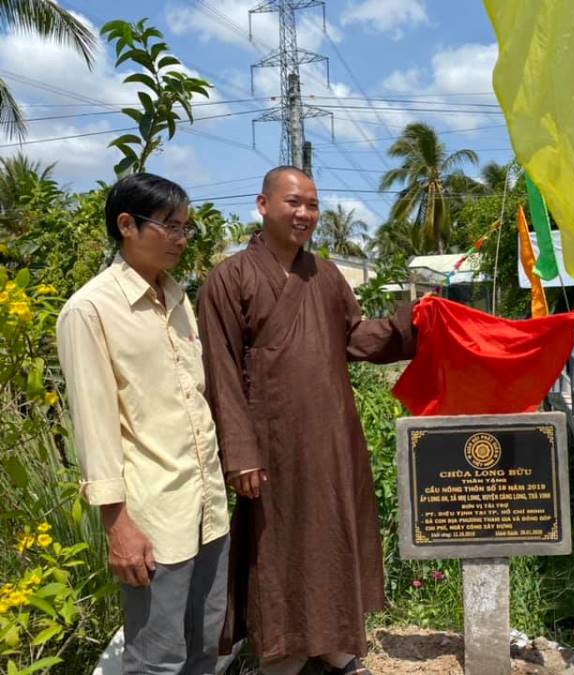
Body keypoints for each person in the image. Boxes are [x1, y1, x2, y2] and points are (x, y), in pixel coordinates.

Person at [198, 166, 417, 675]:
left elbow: (356, 337)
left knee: (330, 535)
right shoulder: (229, 278)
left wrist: (413, 324)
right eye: (294, 203)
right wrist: (241, 453)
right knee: (278, 545)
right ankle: (285, 650)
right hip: (270, 442)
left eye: (313, 206)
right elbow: (221, 370)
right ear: (263, 205)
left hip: (331, 432)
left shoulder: (326, 274)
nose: (304, 215)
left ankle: (334, 642)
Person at [57, 173, 230, 673]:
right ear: (127, 225)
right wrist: (119, 528)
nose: (181, 239)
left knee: (206, 648)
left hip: (208, 508)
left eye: (186, 228)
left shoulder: (178, 300)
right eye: (170, 227)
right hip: (154, 520)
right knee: (156, 660)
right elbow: (95, 429)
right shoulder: (90, 310)